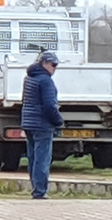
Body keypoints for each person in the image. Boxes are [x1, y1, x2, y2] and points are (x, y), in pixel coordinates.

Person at [21, 51, 62, 199]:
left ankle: (36, 189)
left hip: (28, 123)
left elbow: (25, 101)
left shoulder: (29, 78)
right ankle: (40, 191)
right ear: (44, 63)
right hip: (42, 124)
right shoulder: (46, 81)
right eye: (53, 64)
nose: (54, 68)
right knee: (42, 159)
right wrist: (58, 120)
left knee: (33, 158)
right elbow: (49, 106)